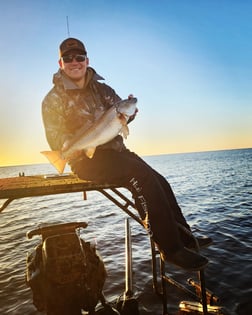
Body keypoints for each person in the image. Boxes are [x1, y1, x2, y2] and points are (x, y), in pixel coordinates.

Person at [42, 38, 212, 271]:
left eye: (79, 57)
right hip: (87, 160)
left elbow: (120, 116)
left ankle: (184, 238)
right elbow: (55, 138)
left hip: (117, 152)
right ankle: (170, 249)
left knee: (158, 179)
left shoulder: (103, 89)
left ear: (87, 60)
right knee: (140, 176)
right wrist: (75, 145)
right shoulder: (53, 99)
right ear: (60, 63)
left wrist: (129, 115)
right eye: (68, 58)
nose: (75, 62)